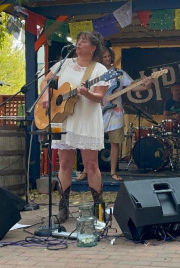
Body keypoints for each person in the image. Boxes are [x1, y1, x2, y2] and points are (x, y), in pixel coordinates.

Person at [40, 31, 109, 223]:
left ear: (93, 48)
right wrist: (46, 97)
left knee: (91, 165)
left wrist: (87, 93)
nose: (79, 43)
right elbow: (45, 81)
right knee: (64, 164)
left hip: (86, 120)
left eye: (84, 41)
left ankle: (99, 209)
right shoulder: (65, 64)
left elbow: (99, 97)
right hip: (64, 119)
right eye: (78, 40)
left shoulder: (100, 69)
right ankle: (63, 208)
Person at [101, 46, 151, 181]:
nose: (108, 58)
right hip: (98, 111)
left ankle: (113, 172)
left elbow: (133, 87)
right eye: (104, 57)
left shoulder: (119, 73)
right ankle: (87, 172)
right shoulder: (95, 74)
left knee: (115, 143)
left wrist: (147, 85)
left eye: (109, 56)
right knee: (93, 143)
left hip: (116, 113)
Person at [163, 83, 180, 163]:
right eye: (176, 90)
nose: (178, 92)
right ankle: (170, 157)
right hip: (172, 127)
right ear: (172, 91)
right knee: (168, 141)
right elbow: (165, 116)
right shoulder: (168, 102)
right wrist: (174, 117)